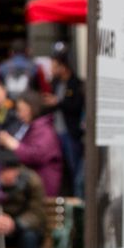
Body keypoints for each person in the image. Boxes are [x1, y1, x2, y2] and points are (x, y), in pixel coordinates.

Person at [0, 91, 64, 198]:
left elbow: (36, 156)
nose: (19, 114)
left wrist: (14, 144)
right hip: (34, 183)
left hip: (43, 185)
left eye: (22, 110)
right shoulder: (32, 126)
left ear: (32, 108)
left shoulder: (44, 130)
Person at [49, 44, 85, 196]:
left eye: (55, 65)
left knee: (75, 167)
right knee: (63, 171)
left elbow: (76, 106)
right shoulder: (56, 83)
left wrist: (58, 102)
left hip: (70, 132)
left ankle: (78, 199)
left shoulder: (76, 84)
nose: (52, 69)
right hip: (57, 132)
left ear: (64, 67)